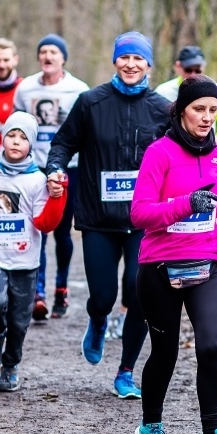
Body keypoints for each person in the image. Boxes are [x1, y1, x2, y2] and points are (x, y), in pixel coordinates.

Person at [130, 75, 217, 434]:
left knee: (211, 346)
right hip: (160, 266)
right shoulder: (159, 154)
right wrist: (184, 204)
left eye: (213, 110)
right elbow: (140, 213)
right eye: (199, 109)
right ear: (181, 111)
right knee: (164, 353)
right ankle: (150, 426)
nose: (207, 117)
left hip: (207, 264)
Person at [47, 31, 169, 398]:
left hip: (143, 220)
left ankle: (126, 371)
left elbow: (178, 155)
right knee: (102, 296)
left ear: (149, 64)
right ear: (115, 61)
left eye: (138, 59)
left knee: (141, 293)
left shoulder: (163, 109)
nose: (131, 64)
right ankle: (98, 320)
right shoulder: (90, 103)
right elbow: (63, 143)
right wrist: (55, 169)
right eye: (124, 57)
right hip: (98, 217)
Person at [0, 112, 67, 391]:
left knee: (20, 322)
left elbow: (44, 223)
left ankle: (10, 364)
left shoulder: (37, 180)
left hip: (24, 258)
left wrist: (58, 197)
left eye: (23, 138)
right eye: (11, 135)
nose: (16, 142)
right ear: (3, 139)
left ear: (31, 144)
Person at [14, 34, 89, 321]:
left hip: (70, 168)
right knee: (38, 229)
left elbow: (86, 131)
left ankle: (61, 288)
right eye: (43, 51)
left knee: (61, 231)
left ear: (63, 59)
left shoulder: (78, 89)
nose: (48, 56)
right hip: (35, 169)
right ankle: (39, 294)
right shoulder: (25, 88)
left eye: (54, 52)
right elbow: (17, 128)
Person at [154, 45, 217, 147]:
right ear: (178, 67)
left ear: (204, 67)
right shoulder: (164, 91)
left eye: (198, 70)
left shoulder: (215, 91)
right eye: (188, 70)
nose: (193, 74)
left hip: (205, 150)